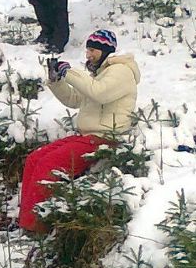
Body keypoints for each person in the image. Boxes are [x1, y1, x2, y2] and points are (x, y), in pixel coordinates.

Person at [18, 29, 140, 232]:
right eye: (87, 50)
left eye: (93, 50)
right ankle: (26, 221)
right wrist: (57, 81)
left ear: (105, 50)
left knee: (48, 164)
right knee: (34, 158)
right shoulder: (100, 74)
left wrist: (71, 72)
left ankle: (36, 228)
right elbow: (74, 100)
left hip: (105, 138)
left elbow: (98, 93)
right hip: (87, 137)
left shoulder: (121, 71)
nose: (88, 54)